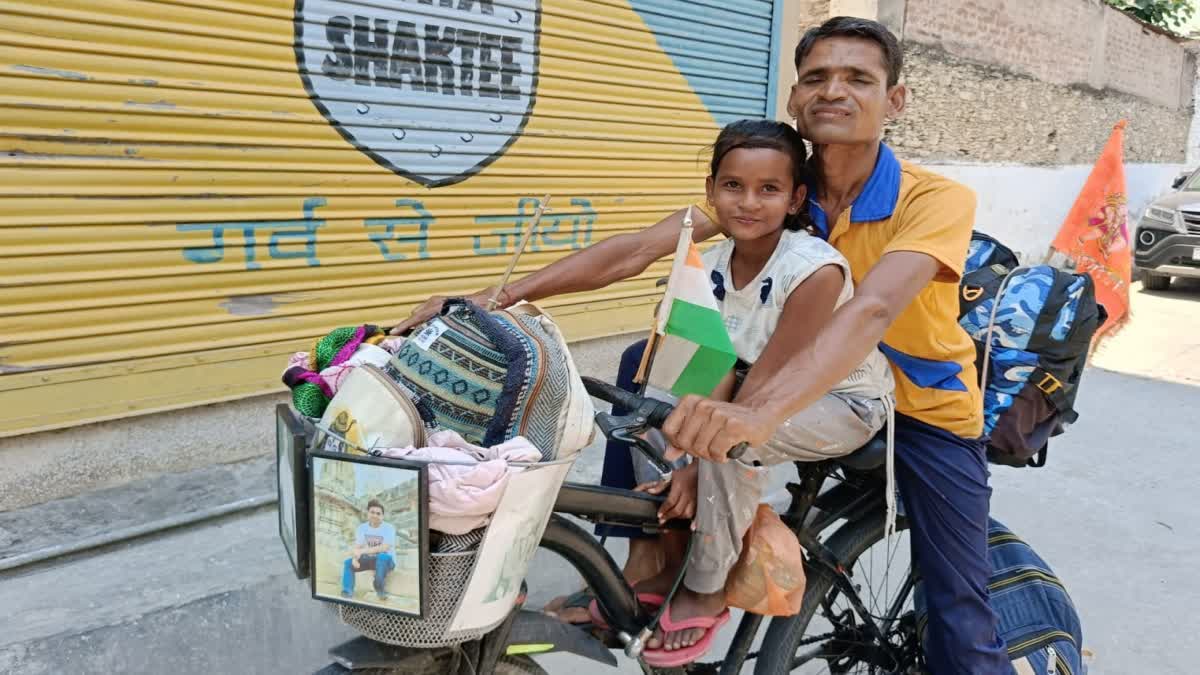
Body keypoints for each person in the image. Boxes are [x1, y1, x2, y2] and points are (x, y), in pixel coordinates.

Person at [394, 16, 1010, 673]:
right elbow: (636, 249)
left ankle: (707, 578)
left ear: (895, 100)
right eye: (816, 78)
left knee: (959, 609)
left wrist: (750, 415)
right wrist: (500, 296)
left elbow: (872, 307)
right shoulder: (775, 185)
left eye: (859, 78)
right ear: (795, 98)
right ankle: (647, 560)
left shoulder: (935, 199)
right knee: (641, 363)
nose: (834, 90)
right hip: (781, 370)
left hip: (918, 409)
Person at [614, 119, 894, 665]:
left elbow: (768, 384)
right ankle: (668, 555)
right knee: (648, 411)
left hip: (839, 402)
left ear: (797, 199)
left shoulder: (814, 270)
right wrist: (680, 444)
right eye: (733, 186)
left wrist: (698, 460)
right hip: (753, 391)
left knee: (730, 438)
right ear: (711, 193)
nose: (748, 202)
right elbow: (711, 370)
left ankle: (707, 584)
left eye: (769, 189)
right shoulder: (706, 265)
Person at [341, 500, 397, 602]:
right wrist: (355, 558)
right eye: (372, 512)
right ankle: (347, 591)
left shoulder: (389, 528)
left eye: (378, 513)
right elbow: (358, 547)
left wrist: (362, 552)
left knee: (382, 557)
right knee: (348, 563)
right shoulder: (362, 528)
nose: (375, 515)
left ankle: (380, 589)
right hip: (370, 560)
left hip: (387, 561)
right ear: (367, 513)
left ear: (382, 516)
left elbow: (384, 547)